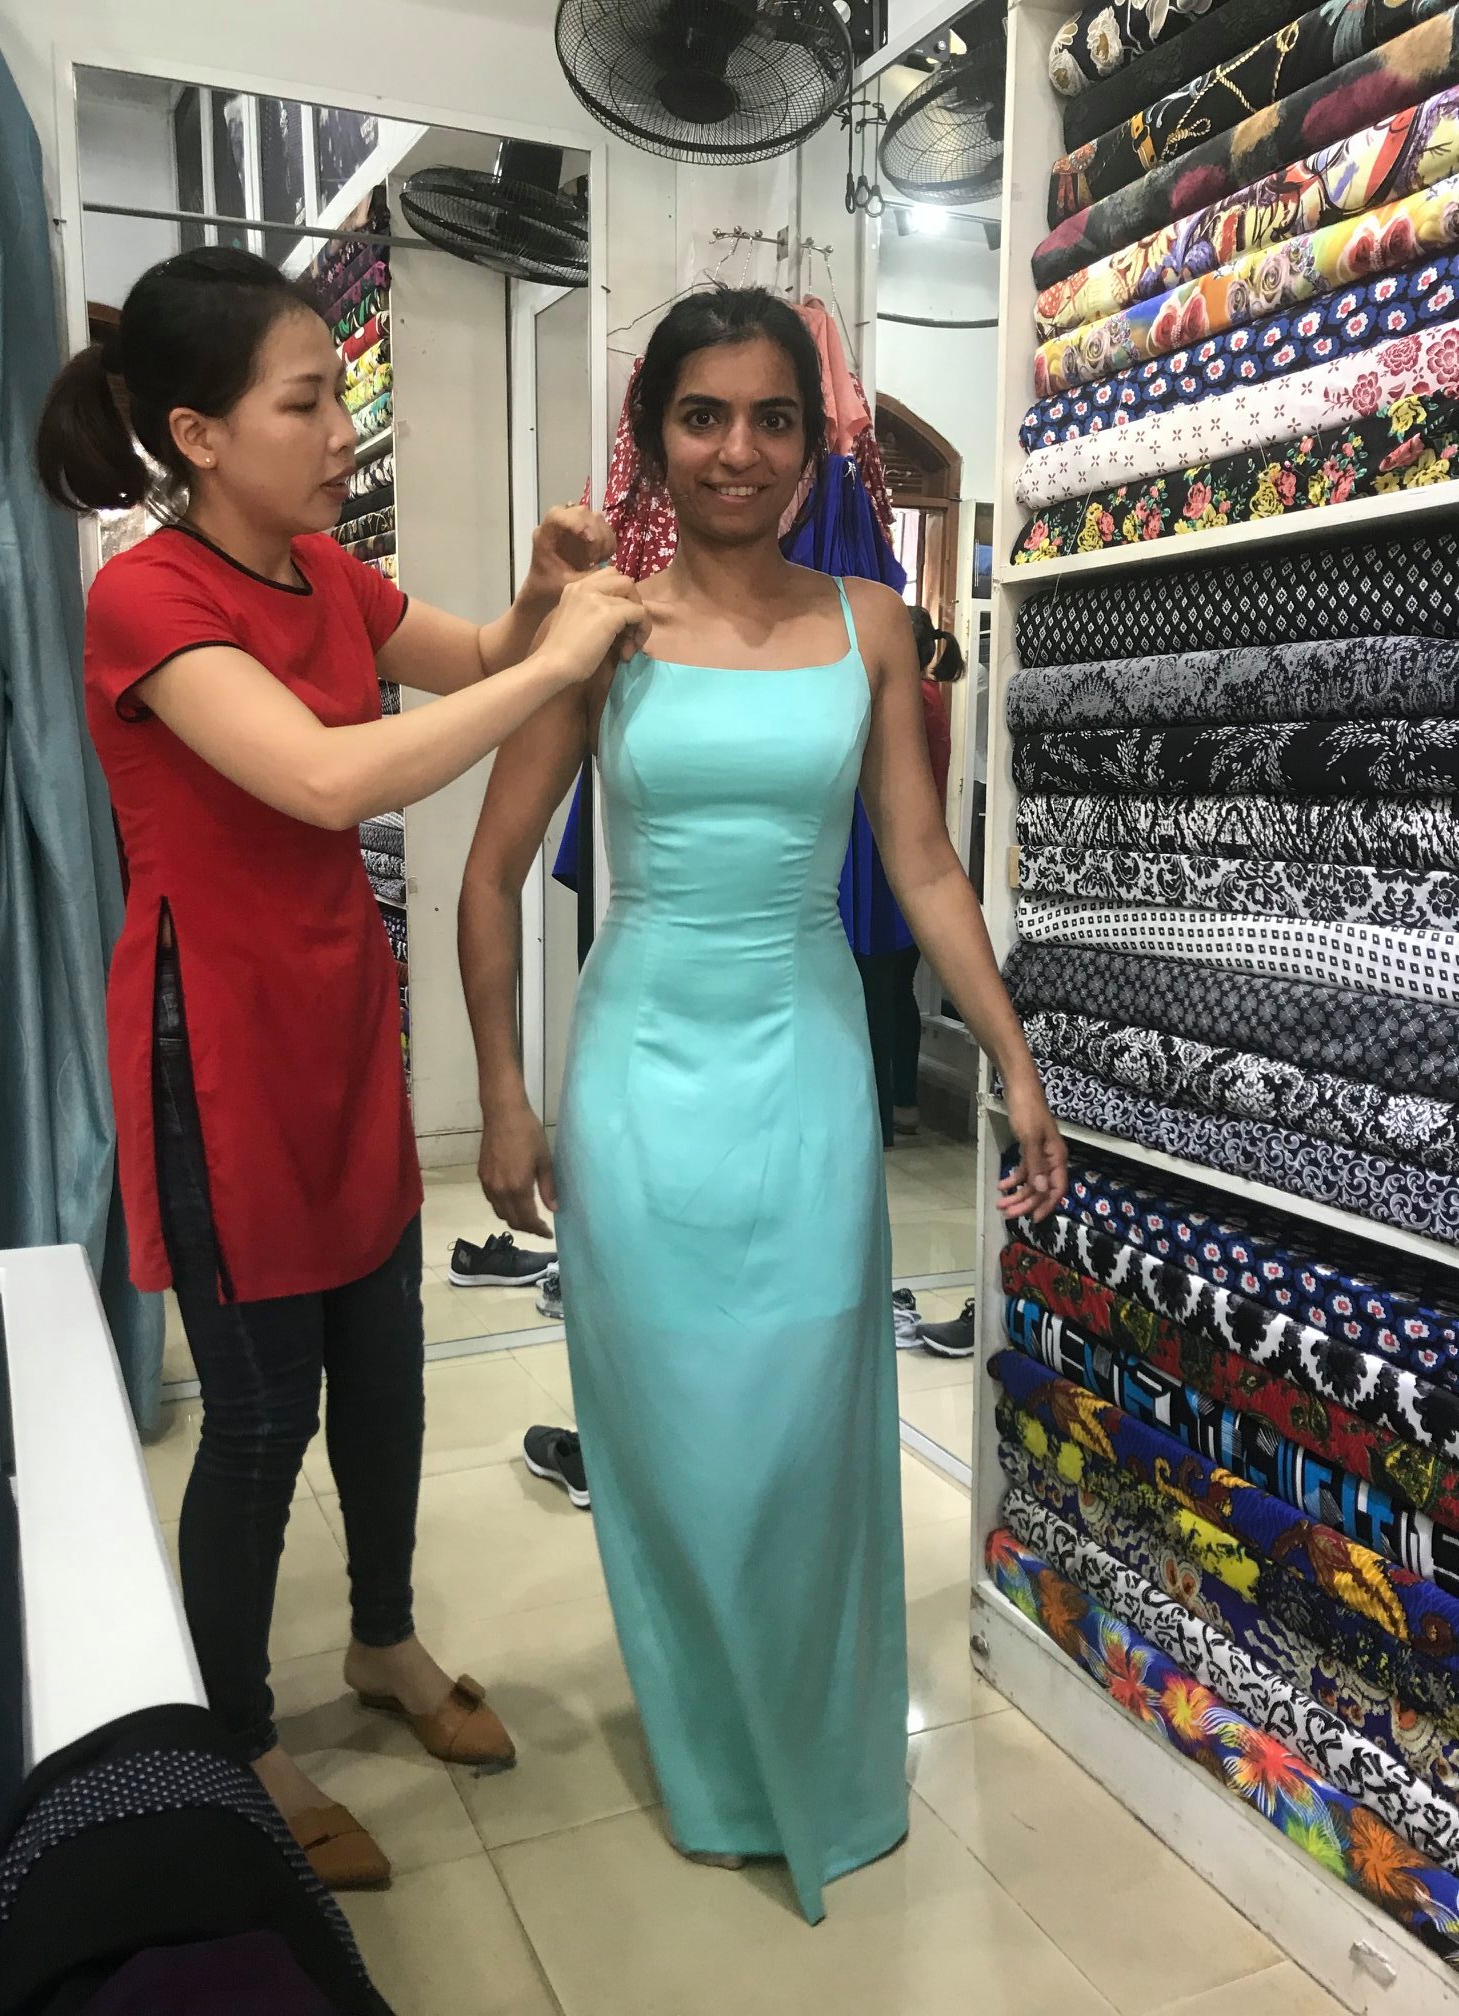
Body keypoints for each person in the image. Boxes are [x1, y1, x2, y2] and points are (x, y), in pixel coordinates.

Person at [36, 246, 646, 1891]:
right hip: (215, 1043)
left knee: (388, 1368)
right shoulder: (147, 599)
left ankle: (382, 1639)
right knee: (256, 1416)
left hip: (337, 1017)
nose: (338, 432)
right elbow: (323, 777)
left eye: (335, 399)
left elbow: (469, 658)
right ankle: (236, 1732)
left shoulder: (328, 574)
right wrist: (558, 666)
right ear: (198, 434)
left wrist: (537, 600)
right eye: (305, 404)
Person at [458, 286, 1066, 1923]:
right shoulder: (601, 628)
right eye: (703, 416)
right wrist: (506, 1096)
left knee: (802, 1425)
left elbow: (923, 866)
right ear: (656, 434)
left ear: (815, 443)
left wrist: (1013, 1063)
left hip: (803, 1065)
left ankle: (817, 1747)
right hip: (642, 1070)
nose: (738, 449)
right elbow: (492, 871)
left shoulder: (875, 624)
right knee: (667, 1429)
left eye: (772, 418)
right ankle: (713, 1752)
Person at [887, 607, 962, 1139]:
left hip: (904, 853)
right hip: (918, 845)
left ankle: (898, 1101)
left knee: (886, 986)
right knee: (897, 988)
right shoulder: (930, 696)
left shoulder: (916, 699)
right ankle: (904, 1101)